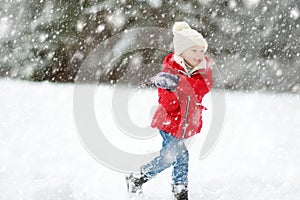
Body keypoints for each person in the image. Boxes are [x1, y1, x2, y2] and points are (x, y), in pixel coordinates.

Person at [126, 21, 213, 200]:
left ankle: (137, 178)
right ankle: (180, 191)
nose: (199, 55)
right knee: (180, 156)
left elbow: (203, 89)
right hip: (169, 123)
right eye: (194, 50)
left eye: (201, 51)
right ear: (182, 52)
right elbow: (169, 105)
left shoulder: (202, 72)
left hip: (186, 124)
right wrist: (171, 88)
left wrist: (181, 85)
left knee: (169, 157)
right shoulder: (169, 72)